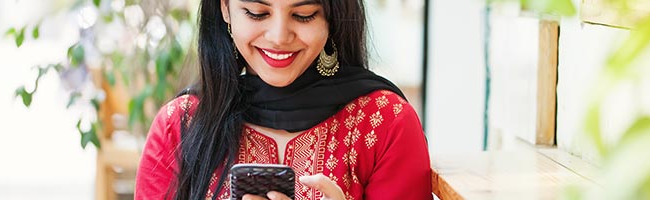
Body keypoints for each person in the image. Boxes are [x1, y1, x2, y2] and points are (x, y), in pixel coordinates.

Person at [134, 0, 432, 199]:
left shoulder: (385, 123)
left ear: (332, 14)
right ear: (225, 8)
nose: (279, 36)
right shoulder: (181, 125)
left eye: (304, 14)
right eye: (256, 12)